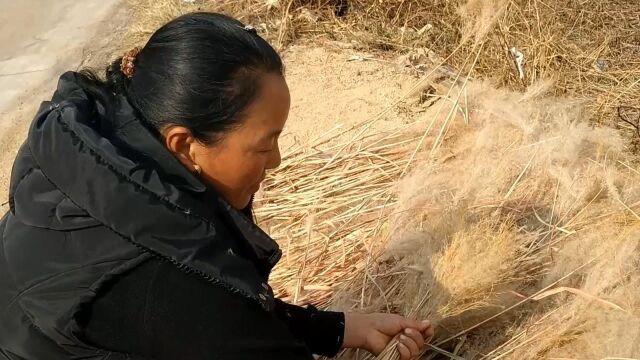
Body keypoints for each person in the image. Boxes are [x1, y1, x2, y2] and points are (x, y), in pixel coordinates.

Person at [0, 12, 434, 360]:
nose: (277, 162)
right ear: (186, 144)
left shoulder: (97, 151)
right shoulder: (167, 286)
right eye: (264, 147)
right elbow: (208, 313)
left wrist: (336, 329)